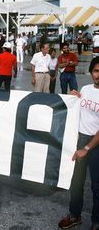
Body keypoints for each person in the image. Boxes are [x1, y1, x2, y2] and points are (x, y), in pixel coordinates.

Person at [58, 57, 99, 230]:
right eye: (96, 71)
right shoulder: (86, 88)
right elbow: (77, 111)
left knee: (97, 186)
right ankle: (75, 215)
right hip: (80, 139)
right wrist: (73, 98)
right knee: (76, 183)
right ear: (91, 72)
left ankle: (96, 221)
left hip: (95, 144)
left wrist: (87, 148)